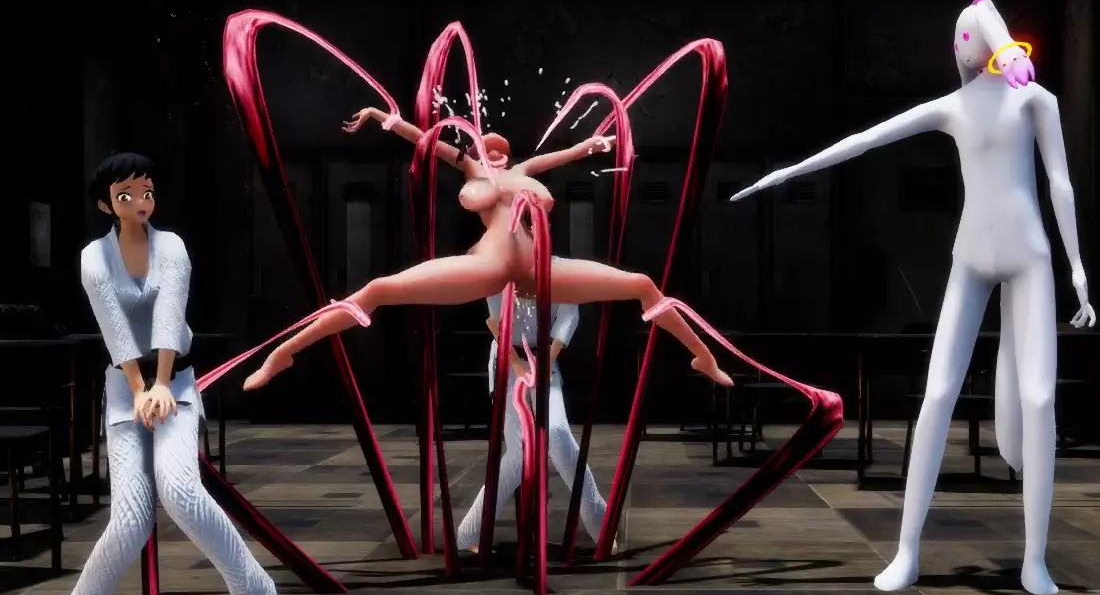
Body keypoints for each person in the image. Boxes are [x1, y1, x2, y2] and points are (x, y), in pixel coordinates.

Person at [733, 0, 1096, 595]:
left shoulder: (1037, 100)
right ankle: (906, 550)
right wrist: (788, 173)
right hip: (970, 257)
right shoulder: (953, 107)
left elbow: (1061, 184)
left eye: (964, 36)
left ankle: (1035, 558)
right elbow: (865, 140)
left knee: (1037, 400)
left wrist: (1076, 266)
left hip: (1030, 258)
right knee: (937, 396)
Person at [240, 108, 732, 392]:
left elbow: (567, 153)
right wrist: (384, 119)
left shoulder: (524, 173)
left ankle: (703, 358)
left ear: (510, 155)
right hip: (489, 265)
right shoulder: (472, 170)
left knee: (642, 285)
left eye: (501, 150)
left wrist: (596, 145)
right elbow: (426, 140)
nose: (493, 154)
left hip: (541, 266)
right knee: (378, 290)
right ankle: (284, 352)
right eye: (487, 149)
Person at [63, 153, 287, 595]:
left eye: (146, 192)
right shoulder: (93, 258)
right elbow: (113, 326)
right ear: (106, 205)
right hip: (124, 390)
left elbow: (170, 314)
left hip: (177, 383)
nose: (140, 202)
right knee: (130, 517)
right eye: (126, 195)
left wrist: (162, 384)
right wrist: (139, 389)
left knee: (182, 492)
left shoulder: (172, 247)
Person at [455, 292, 614, 554]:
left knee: (557, 433)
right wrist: (517, 365)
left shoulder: (555, 276)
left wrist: (547, 362)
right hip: (506, 360)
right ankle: (469, 532)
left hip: (544, 359)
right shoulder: (504, 276)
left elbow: (569, 314)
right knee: (519, 454)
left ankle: (603, 528)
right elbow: (495, 322)